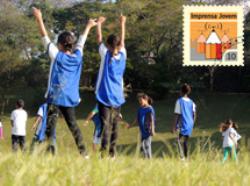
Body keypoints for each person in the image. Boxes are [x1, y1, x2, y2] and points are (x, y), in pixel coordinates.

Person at [33, 7, 97, 156]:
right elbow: (82, 42)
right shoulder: (78, 56)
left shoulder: (56, 55)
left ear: (61, 45)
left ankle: (51, 155)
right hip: (69, 98)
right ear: (71, 45)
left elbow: (44, 36)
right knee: (73, 126)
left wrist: (39, 18)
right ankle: (84, 155)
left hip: (55, 97)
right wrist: (88, 26)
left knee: (50, 128)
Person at [95, 15, 127, 157]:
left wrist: (99, 24)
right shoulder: (123, 55)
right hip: (117, 97)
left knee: (105, 125)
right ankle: (112, 154)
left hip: (104, 96)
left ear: (108, 45)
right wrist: (122, 23)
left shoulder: (105, 54)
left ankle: (103, 154)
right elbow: (122, 42)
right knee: (115, 126)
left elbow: (98, 39)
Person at [172, 83, 196, 159]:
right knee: (185, 142)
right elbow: (194, 115)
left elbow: (177, 114)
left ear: (181, 91)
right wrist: (192, 124)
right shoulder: (192, 102)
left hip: (182, 124)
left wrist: (173, 126)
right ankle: (186, 158)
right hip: (190, 124)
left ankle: (182, 158)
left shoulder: (179, 101)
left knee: (177, 140)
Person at [130, 93, 155, 159]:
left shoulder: (150, 109)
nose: (140, 102)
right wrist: (131, 125)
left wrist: (152, 130)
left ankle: (149, 160)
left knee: (147, 145)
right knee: (141, 146)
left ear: (146, 100)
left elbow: (152, 120)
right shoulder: (140, 109)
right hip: (141, 131)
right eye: (139, 101)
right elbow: (137, 119)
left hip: (148, 130)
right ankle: (145, 157)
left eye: (141, 100)